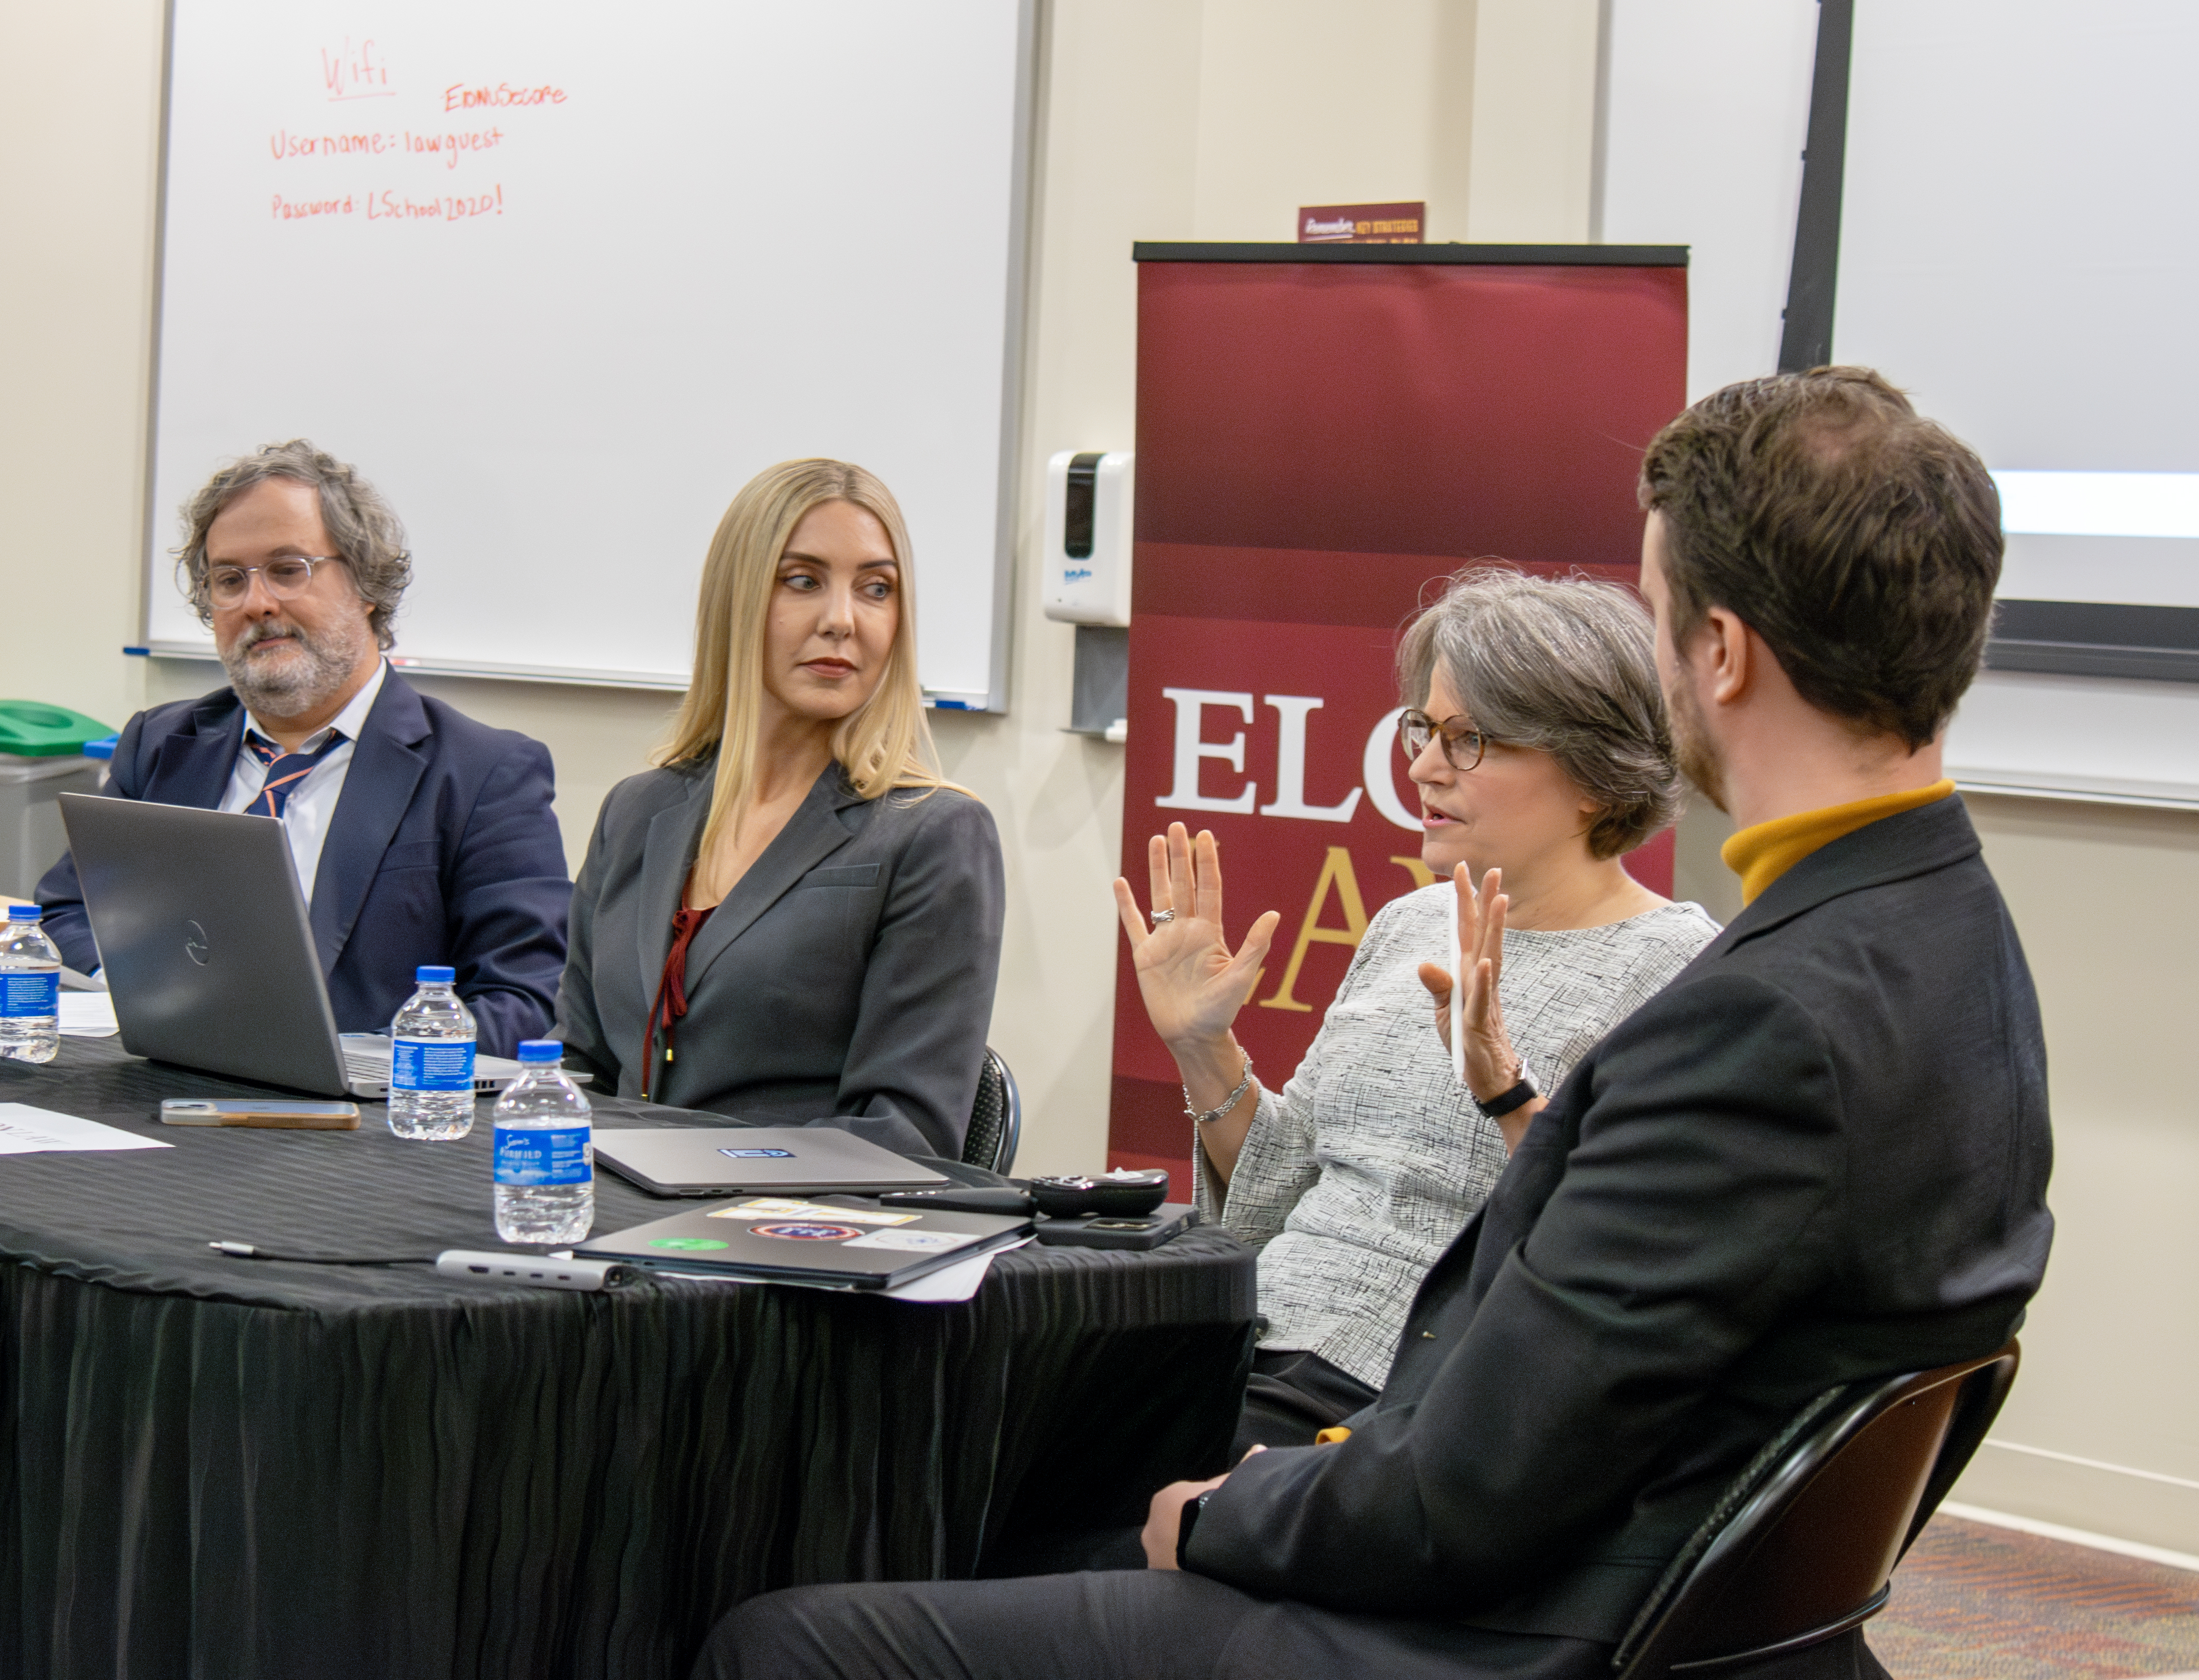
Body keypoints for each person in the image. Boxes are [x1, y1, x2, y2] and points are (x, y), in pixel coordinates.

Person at [690, 367, 2053, 1680]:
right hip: (1647, 1599)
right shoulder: (1958, 943)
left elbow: (1460, 1496)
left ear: (1717, 651)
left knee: (786, 1637)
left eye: (1651, 615)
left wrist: (1223, 1515)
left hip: (1500, 1630)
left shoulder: (1752, 1018)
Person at [1118, 570, 1718, 1455]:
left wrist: (1505, 1093)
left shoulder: (1675, 969)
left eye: (1468, 739)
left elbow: (1619, 1259)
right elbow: (1274, 1193)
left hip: (1403, 1399)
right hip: (1244, 1334)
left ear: (1594, 774)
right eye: (1423, 730)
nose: (1422, 766)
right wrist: (1204, 1047)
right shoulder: (1409, 923)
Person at [34, 440, 571, 1056]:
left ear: (366, 582)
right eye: (229, 580)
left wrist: (347, 1060)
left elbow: (525, 999)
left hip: (359, 1125)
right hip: (163, 1087)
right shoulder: (160, 745)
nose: (258, 603)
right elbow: (64, 916)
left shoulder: (483, 773)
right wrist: (142, 996)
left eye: (289, 570)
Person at [549, 458, 1003, 1159]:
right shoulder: (636, 812)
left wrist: (675, 1169)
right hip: (607, 1217)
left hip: (784, 1241)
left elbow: (902, 1137)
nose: (842, 621)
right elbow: (574, 1065)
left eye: (876, 589)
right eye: (803, 581)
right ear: (737, 599)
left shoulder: (934, 834)